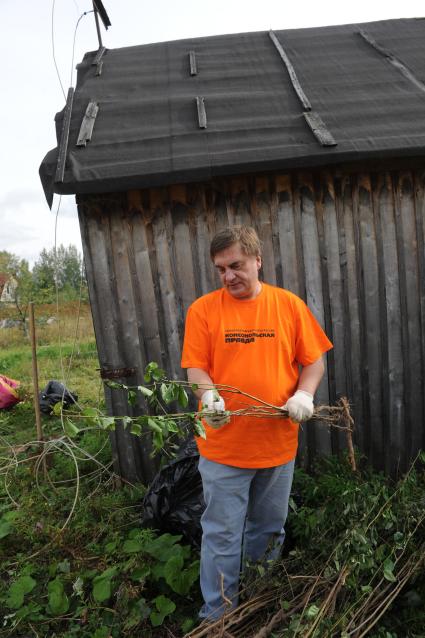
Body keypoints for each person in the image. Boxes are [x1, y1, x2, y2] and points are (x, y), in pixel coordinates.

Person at [181, 226, 333, 621]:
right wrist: (207, 394)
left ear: (257, 261)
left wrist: (305, 394)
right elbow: (196, 366)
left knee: (268, 530)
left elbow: (313, 360)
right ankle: (218, 616)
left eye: (236, 265)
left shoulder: (288, 305)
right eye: (220, 269)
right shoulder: (203, 310)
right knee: (222, 535)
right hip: (224, 445)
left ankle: (258, 599)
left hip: (277, 445)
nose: (229, 276)